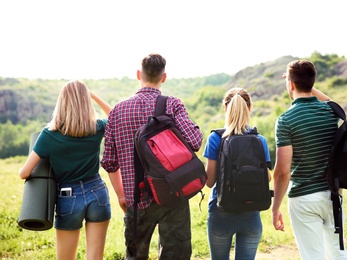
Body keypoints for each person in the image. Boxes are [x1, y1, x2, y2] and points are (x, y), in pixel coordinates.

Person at [101, 53, 203, 260]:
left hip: (136, 200)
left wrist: (122, 195)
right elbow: (195, 141)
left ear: (139, 74)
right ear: (164, 77)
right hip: (173, 193)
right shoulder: (172, 105)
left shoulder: (117, 111)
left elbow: (110, 162)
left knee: (136, 257)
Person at [18, 80, 112, 260]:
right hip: (97, 192)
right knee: (95, 257)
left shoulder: (48, 135)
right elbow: (116, 115)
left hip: (68, 197)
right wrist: (92, 95)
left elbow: (25, 173)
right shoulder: (97, 127)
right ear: (86, 102)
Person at [272, 60, 347, 260]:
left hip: (303, 198)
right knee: (338, 254)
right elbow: (332, 102)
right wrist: (305, 82)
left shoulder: (286, 120)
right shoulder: (331, 112)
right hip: (333, 195)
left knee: (312, 257)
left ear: (290, 84)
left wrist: (275, 207)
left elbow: (282, 172)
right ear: (311, 83)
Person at [203, 87, 272, 259]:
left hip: (221, 212)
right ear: (249, 108)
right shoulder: (259, 140)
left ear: (225, 108)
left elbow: (209, 182)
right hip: (251, 213)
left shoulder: (215, 138)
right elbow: (267, 178)